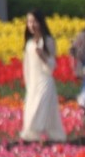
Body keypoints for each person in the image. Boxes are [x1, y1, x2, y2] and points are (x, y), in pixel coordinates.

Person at [20, 9, 66, 142]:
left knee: (38, 110)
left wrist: (43, 56)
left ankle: (40, 135)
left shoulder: (48, 41)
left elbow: (52, 66)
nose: (31, 25)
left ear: (40, 22)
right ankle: (36, 139)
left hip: (45, 81)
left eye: (34, 21)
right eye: (29, 22)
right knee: (31, 110)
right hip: (33, 83)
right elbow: (27, 67)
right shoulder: (29, 44)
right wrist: (28, 84)